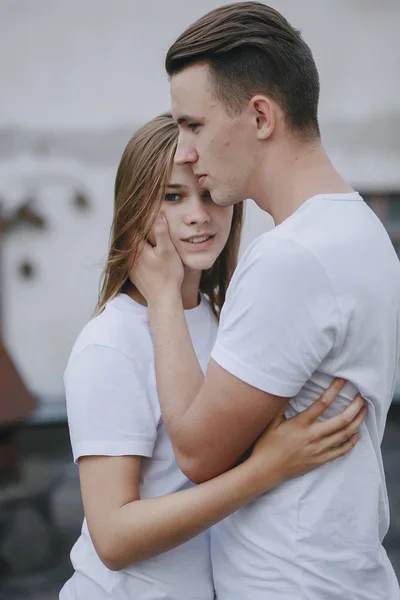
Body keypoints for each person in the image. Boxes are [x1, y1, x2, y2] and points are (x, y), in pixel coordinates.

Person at [130, 3, 400, 599]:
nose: (187, 151)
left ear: (259, 116)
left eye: (194, 125)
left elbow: (198, 453)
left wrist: (162, 299)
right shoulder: (362, 231)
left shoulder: (291, 256)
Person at [59, 113, 365, 600]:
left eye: (208, 193)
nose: (199, 214)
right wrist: (265, 470)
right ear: (135, 209)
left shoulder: (224, 318)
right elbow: (113, 538)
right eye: (173, 197)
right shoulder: (110, 343)